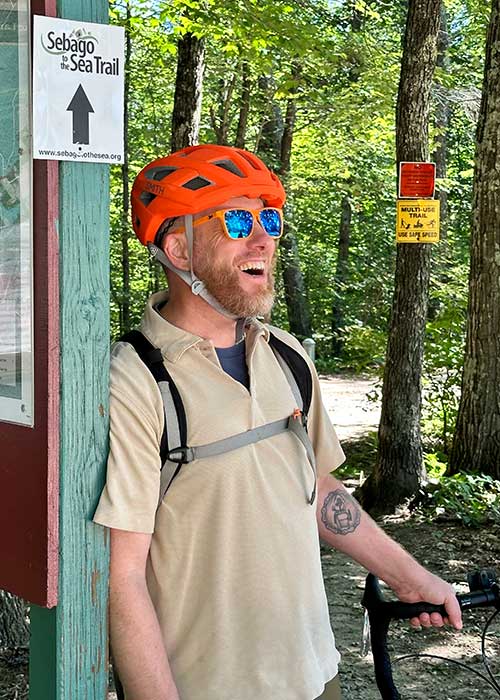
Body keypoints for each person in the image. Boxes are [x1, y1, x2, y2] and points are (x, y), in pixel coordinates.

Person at [93, 144, 462, 700]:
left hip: (315, 674)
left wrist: (410, 577)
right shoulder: (136, 381)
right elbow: (122, 579)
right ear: (179, 249)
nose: (264, 236)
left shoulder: (285, 356)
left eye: (268, 218)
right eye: (237, 220)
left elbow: (315, 490)